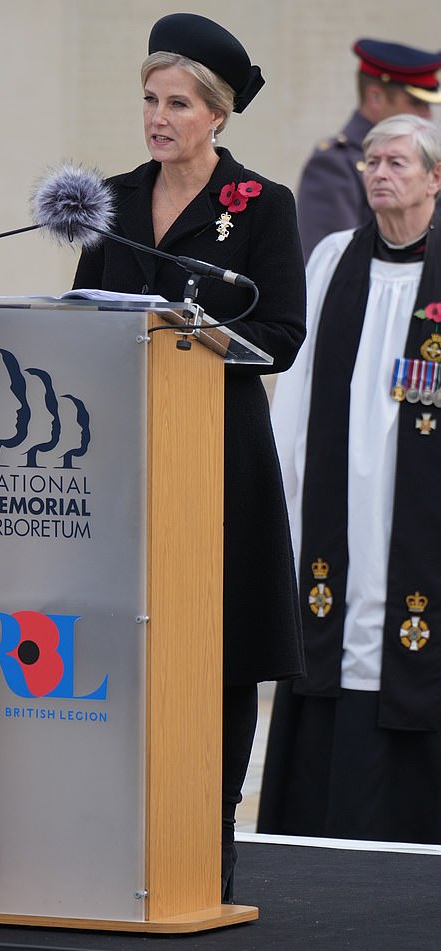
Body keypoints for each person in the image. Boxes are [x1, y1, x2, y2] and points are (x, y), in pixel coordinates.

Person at [72, 12, 306, 901]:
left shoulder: (262, 205)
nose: (157, 117)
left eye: (177, 102)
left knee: (216, 652)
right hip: (120, 460)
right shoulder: (110, 199)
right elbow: (81, 313)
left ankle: (204, 850)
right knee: (121, 647)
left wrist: (188, 331)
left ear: (218, 114)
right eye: (148, 99)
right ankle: (107, 840)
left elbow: (281, 334)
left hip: (217, 462)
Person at [257, 114, 441, 844]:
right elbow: (295, 394)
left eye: (397, 161)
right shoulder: (334, 259)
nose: (379, 173)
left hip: (419, 513)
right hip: (339, 512)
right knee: (334, 635)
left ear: (435, 178)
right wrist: (280, 499)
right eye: (370, 161)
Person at [296, 39, 441, 260]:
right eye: (416, 103)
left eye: (396, 163)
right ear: (375, 97)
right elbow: (333, 262)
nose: (427, 114)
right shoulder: (334, 164)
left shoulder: (428, 158)